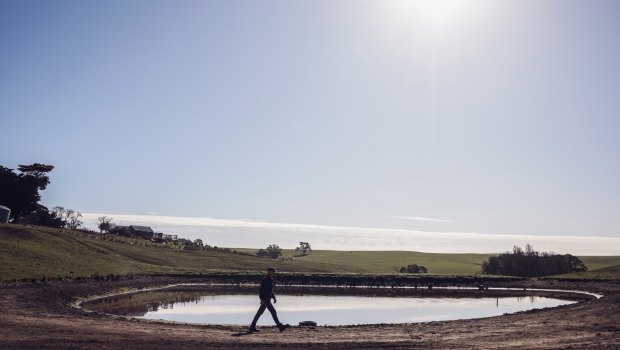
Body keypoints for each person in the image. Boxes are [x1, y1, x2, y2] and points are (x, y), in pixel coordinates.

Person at [248, 267, 289, 333]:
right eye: (273, 271)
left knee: (259, 313)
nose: (274, 272)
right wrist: (261, 299)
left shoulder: (271, 279)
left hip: (267, 298)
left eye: (274, 271)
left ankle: (252, 327)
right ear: (269, 271)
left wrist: (273, 297)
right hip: (265, 299)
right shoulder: (265, 279)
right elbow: (260, 290)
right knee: (273, 311)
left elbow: (270, 290)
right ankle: (280, 326)